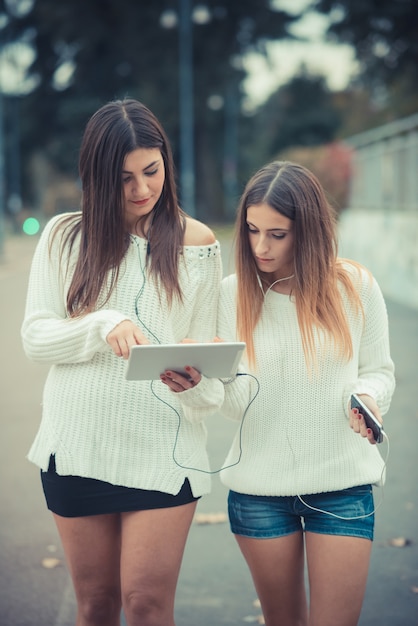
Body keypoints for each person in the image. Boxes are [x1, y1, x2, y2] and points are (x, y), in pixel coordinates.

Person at [161, 161, 395, 626]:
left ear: (308, 231)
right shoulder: (231, 295)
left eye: (277, 234)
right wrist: (198, 383)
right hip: (259, 493)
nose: (260, 247)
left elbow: (379, 371)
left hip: (342, 487)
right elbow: (231, 403)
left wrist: (367, 398)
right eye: (251, 230)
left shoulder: (355, 286)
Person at [21, 98, 223, 626]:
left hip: (164, 452)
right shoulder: (65, 237)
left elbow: (211, 383)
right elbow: (36, 338)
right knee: (96, 607)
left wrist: (194, 385)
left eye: (151, 171)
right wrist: (101, 324)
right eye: (124, 177)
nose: (141, 190)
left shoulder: (198, 244)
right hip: (79, 445)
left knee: (147, 606)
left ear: (166, 163)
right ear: (95, 176)